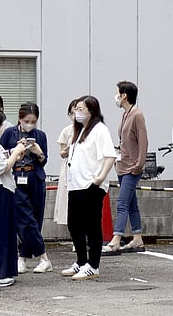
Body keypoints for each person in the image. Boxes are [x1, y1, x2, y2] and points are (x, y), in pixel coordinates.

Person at [62, 95, 116, 280]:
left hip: (91, 185)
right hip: (75, 185)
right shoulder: (79, 131)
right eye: (75, 109)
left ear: (91, 111)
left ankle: (93, 265)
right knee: (74, 225)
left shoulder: (100, 129)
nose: (77, 113)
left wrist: (100, 178)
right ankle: (81, 261)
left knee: (92, 225)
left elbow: (110, 155)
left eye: (81, 109)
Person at [0, 102, 52, 274]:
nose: (30, 124)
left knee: (35, 219)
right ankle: (43, 257)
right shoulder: (9, 133)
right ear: (20, 119)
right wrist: (16, 150)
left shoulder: (41, 135)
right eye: (27, 120)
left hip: (34, 178)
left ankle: (22, 257)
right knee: (24, 218)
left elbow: (44, 161)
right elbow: (1, 155)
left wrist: (38, 151)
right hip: (15, 177)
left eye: (33, 121)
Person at [102, 81, 148, 254]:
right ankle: (137, 238)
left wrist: (139, 164)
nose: (116, 97)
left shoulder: (137, 114)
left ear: (124, 96)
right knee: (131, 203)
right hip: (123, 165)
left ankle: (116, 239)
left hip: (132, 167)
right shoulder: (125, 114)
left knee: (122, 203)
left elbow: (143, 141)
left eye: (117, 93)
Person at [0, 108, 26, 287]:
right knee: (0, 233)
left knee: (3, 232)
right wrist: (16, 152)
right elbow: (2, 167)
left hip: (1, 190)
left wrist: (16, 153)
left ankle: (4, 271)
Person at [53, 99, 77, 225]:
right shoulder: (66, 131)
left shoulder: (89, 130)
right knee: (67, 199)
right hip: (69, 166)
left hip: (83, 167)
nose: (74, 116)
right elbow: (61, 153)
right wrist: (67, 150)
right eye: (72, 113)